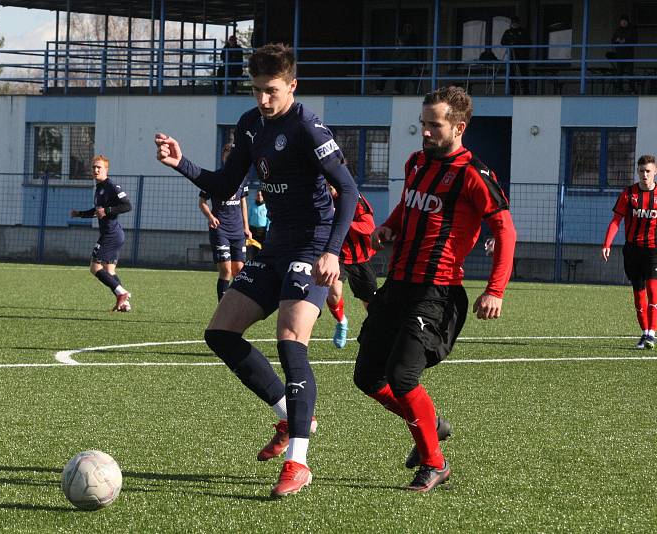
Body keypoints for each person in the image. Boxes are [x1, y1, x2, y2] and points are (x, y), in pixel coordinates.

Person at [155, 43, 359, 498]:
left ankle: (298, 463)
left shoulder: (308, 127)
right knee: (220, 332)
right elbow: (227, 185)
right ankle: (290, 412)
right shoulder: (250, 126)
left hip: (311, 243)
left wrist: (331, 251)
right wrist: (181, 163)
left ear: (291, 85)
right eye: (256, 91)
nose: (263, 100)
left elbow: (347, 189)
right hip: (274, 246)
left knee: (290, 341)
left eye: (271, 91)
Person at [353, 86, 516, 493]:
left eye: (434, 125)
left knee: (402, 376)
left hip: (437, 292)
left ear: (459, 127)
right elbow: (408, 207)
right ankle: (431, 425)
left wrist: (495, 290)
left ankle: (434, 463)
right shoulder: (416, 163)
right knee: (367, 377)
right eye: (423, 123)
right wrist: (389, 225)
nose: (425, 132)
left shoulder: (474, 175)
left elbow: (505, 230)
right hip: (398, 284)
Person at [602, 154, 657, 349]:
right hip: (632, 251)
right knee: (638, 294)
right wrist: (607, 244)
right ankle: (644, 333)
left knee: (653, 292)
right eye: (641, 171)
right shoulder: (628, 194)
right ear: (637, 172)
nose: (644, 175)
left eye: (648, 171)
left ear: (654, 172)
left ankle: (652, 333)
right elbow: (616, 221)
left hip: (653, 251)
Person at [69, 155, 133, 312]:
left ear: (106, 170)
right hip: (111, 233)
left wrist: (108, 210)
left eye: (99, 167)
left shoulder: (112, 186)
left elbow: (127, 206)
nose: (96, 170)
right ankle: (125, 303)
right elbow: (97, 211)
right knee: (109, 271)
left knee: (94, 267)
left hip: (111, 234)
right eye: (94, 167)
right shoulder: (99, 188)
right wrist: (80, 214)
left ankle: (122, 293)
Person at [325, 184, 378, 349]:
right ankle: (341, 322)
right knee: (333, 293)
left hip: (360, 257)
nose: (328, 186)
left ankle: (376, 333)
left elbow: (368, 226)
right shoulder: (320, 199)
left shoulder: (354, 198)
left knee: (370, 301)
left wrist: (342, 220)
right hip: (336, 255)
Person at [198, 143, 251, 301]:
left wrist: (246, 227)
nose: (230, 160)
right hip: (220, 229)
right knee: (226, 270)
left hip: (237, 230)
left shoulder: (242, 178)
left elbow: (243, 203)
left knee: (239, 270)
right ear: (223, 158)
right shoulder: (214, 178)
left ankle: (237, 304)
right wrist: (210, 216)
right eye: (228, 156)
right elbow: (202, 201)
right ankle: (223, 306)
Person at [606, 14, 638, 93]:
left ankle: (632, 89)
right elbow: (612, 40)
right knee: (619, 72)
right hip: (619, 54)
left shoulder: (632, 29)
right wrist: (617, 40)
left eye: (625, 21)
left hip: (628, 54)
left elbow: (635, 40)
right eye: (622, 21)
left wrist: (625, 41)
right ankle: (619, 89)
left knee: (630, 72)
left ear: (627, 21)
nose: (623, 22)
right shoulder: (618, 30)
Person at [500, 16, 531, 95]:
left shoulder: (524, 32)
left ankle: (525, 92)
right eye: (513, 22)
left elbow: (529, 43)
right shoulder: (507, 32)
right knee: (511, 75)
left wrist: (517, 43)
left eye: (516, 23)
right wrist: (510, 44)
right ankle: (512, 92)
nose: (514, 24)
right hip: (511, 57)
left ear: (518, 23)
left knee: (524, 74)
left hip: (522, 57)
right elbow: (503, 42)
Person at [247, 189, 269, 259]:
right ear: (256, 196)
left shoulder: (266, 206)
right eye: (258, 195)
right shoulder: (252, 206)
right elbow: (248, 218)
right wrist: (247, 229)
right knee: (253, 249)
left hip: (263, 231)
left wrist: (267, 230)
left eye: (261, 195)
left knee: (262, 248)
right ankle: (253, 262)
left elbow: (268, 219)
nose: (259, 196)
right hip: (253, 230)